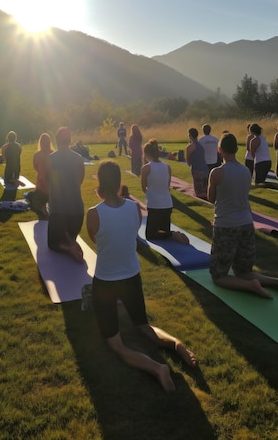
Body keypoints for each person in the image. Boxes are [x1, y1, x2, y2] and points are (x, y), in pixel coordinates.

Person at [86, 161, 197, 392]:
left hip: (106, 282)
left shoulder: (94, 213)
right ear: (118, 183)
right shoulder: (134, 209)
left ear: (100, 184)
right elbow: (130, 233)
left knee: (116, 344)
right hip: (132, 277)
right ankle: (177, 345)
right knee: (144, 327)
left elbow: (96, 240)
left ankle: (157, 368)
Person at [208, 133, 278, 298]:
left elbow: (211, 198)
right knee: (244, 270)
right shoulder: (246, 171)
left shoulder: (217, 172)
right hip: (246, 223)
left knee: (218, 275)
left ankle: (250, 286)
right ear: (236, 149)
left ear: (219, 150)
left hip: (226, 225)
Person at [47, 127, 85, 262]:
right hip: (77, 215)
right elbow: (80, 180)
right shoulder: (79, 158)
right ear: (69, 141)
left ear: (57, 140)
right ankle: (71, 243)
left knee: (52, 244)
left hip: (59, 215)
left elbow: (47, 181)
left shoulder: (51, 159)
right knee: (68, 236)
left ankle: (69, 248)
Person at [141, 139, 188, 244]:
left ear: (146, 154)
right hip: (167, 204)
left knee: (150, 235)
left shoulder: (146, 168)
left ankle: (173, 233)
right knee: (162, 232)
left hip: (155, 205)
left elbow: (144, 187)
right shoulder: (167, 167)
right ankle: (171, 233)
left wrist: (151, 194)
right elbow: (167, 186)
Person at [27, 133, 53, 218]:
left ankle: (42, 206)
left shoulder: (37, 155)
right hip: (53, 184)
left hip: (42, 184)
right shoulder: (54, 154)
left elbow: (36, 168)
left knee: (30, 196)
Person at [186, 128, 209, 200]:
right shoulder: (201, 145)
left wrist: (191, 166)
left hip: (197, 169)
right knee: (204, 188)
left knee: (199, 192)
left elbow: (188, 159)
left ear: (190, 135)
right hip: (205, 168)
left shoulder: (190, 147)